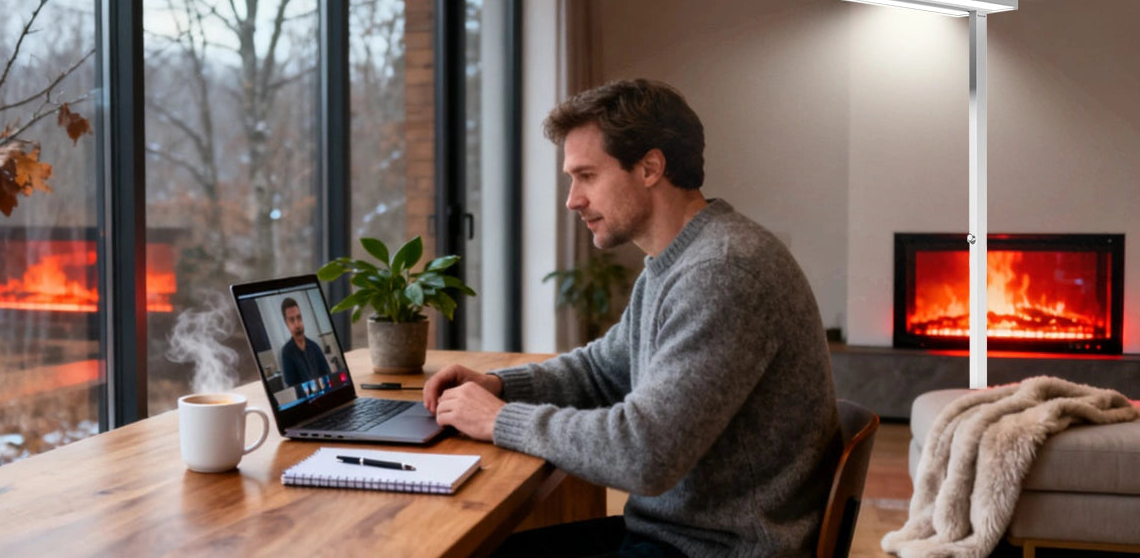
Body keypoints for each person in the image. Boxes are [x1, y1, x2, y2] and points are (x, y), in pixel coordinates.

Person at [424, 79, 839, 557]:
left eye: (587, 176)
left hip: (715, 549)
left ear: (650, 167)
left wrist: (500, 419)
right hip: (680, 534)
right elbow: (602, 369)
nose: (572, 200)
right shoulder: (678, 261)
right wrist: (500, 385)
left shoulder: (723, 270)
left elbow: (645, 455)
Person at [278, 297, 331, 388]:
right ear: (287, 324)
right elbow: (292, 389)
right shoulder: (286, 353)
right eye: (292, 320)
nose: (297, 324)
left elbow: (328, 377)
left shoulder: (315, 347)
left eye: (299, 318)